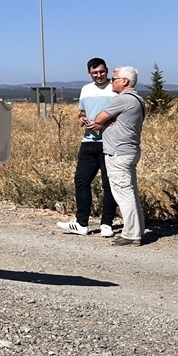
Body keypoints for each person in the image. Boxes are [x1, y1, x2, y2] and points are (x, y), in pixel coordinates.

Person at [57, 58, 119, 237]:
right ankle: (81, 222)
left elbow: (122, 113)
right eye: (95, 73)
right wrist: (81, 118)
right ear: (89, 73)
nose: (99, 75)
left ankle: (107, 223)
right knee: (81, 181)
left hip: (109, 141)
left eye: (101, 72)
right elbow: (83, 111)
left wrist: (103, 124)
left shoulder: (115, 89)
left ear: (107, 70)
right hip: (88, 141)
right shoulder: (85, 89)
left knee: (109, 184)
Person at [86, 66, 146, 246]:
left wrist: (103, 121)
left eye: (115, 79)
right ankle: (137, 229)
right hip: (129, 150)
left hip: (118, 152)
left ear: (125, 82)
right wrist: (107, 121)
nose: (112, 81)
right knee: (130, 191)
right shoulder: (138, 99)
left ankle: (131, 234)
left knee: (123, 193)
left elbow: (98, 118)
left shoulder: (123, 100)